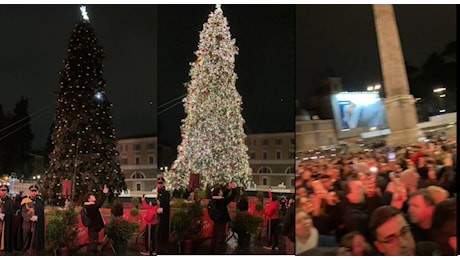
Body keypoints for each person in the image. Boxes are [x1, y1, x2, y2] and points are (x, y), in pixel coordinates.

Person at [368, 205, 436, 256]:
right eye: (391, 240)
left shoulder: (434, 252)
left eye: (404, 232)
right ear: (379, 247)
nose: (403, 244)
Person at [209, 183, 236, 254]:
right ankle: (217, 252)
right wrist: (233, 189)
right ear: (218, 193)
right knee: (220, 237)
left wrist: (228, 189)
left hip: (215, 220)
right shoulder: (221, 202)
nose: (222, 192)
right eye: (221, 191)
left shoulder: (212, 200)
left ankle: (211, 251)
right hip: (221, 221)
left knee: (214, 235)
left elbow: (223, 195)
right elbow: (231, 197)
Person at [83, 184, 108, 256]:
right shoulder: (90, 207)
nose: (94, 197)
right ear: (89, 199)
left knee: (93, 243)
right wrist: (104, 193)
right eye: (92, 196)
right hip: (93, 228)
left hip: (94, 228)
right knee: (93, 244)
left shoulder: (91, 206)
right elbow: (99, 204)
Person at [20, 185, 45, 254]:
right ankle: (24, 251)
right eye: (32, 191)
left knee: (34, 240)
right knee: (25, 239)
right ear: (30, 192)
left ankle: (33, 252)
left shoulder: (39, 201)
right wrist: (29, 218)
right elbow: (23, 212)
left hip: (36, 225)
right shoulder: (25, 200)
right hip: (27, 224)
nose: (33, 193)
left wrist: (37, 217)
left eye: (35, 191)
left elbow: (41, 212)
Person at [156, 177, 170, 251]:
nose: (160, 185)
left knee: (163, 227)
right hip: (156, 214)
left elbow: (165, 204)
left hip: (163, 215)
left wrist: (161, 207)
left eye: (161, 183)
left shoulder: (165, 193)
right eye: (158, 183)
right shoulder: (156, 193)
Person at [0, 184, 14, 254]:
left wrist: (4, 215)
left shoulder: (9, 201)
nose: (3, 192)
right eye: (1, 190)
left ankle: (3, 248)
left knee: (4, 235)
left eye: (4, 190)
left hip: (5, 222)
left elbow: (10, 211)